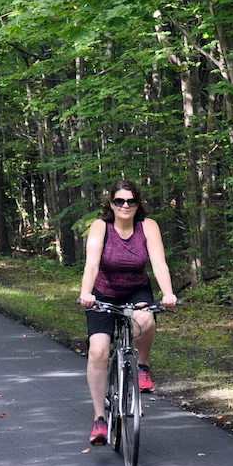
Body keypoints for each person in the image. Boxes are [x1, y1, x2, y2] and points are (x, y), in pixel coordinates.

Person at [79, 180, 177, 445]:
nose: (125, 206)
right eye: (119, 201)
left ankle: (142, 366)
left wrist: (168, 293)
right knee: (98, 349)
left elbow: (159, 263)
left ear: (138, 204)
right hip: (103, 292)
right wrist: (86, 293)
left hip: (136, 290)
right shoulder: (101, 227)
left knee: (146, 321)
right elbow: (91, 264)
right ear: (111, 204)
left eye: (131, 201)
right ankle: (100, 419)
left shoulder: (148, 227)